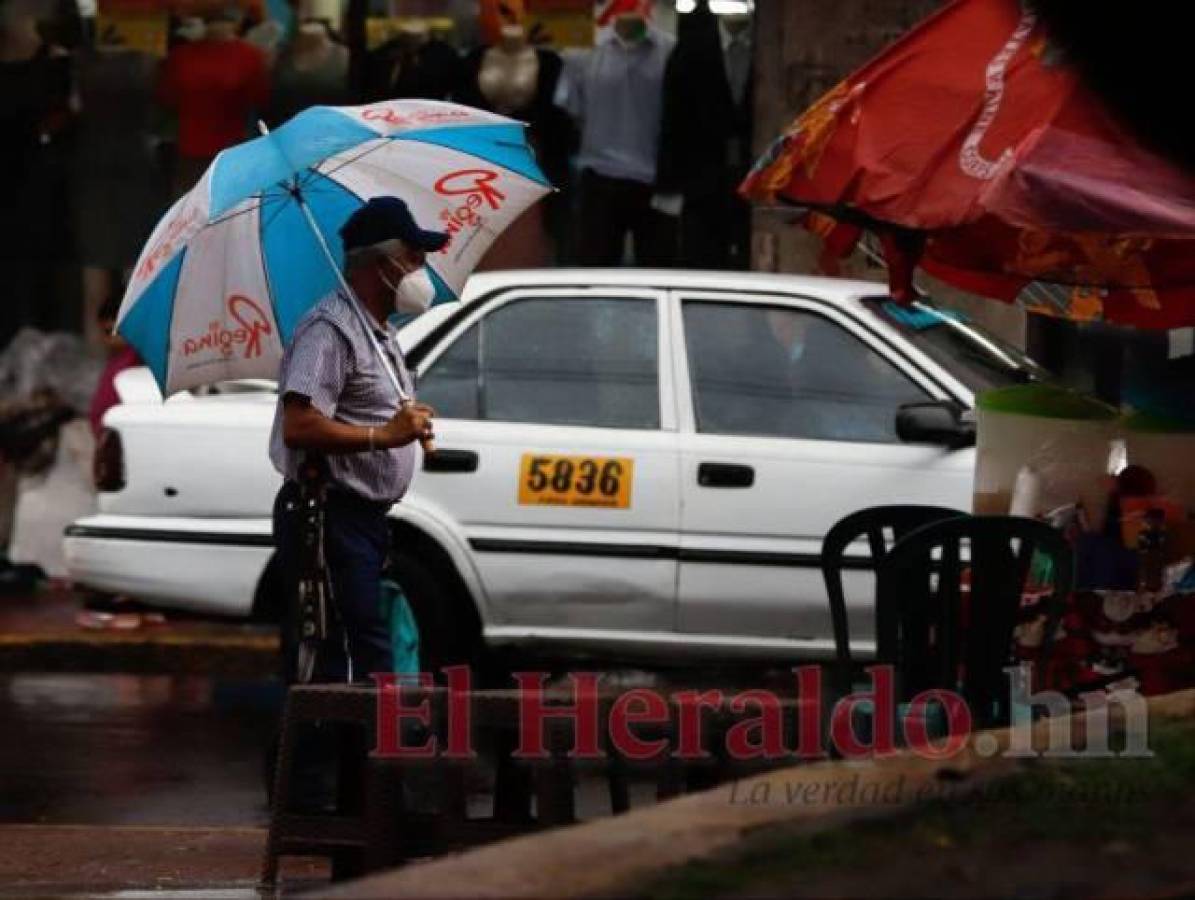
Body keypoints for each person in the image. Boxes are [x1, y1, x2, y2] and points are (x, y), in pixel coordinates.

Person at [269, 197, 445, 683]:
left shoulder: (379, 335)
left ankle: (351, 757)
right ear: (380, 262)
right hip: (327, 518)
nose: (422, 269)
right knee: (328, 658)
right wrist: (382, 435)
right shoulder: (330, 331)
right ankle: (307, 759)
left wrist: (403, 424)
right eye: (413, 257)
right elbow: (299, 425)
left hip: (363, 524)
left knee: (364, 656)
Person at [156, 4, 269, 198]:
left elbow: (167, 97)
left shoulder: (250, 57)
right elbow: (259, 98)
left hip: (220, 148)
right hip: (204, 148)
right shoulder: (250, 56)